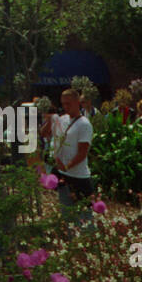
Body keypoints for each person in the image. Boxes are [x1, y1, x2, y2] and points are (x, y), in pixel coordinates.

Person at [53, 88, 94, 225]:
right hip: (63, 174)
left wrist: (67, 165)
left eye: (68, 104)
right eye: (63, 104)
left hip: (79, 176)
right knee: (67, 214)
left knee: (84, 215)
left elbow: (82, 153)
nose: (65, 107)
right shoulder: (63, 119)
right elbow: (56, 140)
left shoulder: (84, 124)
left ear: (78, 103)